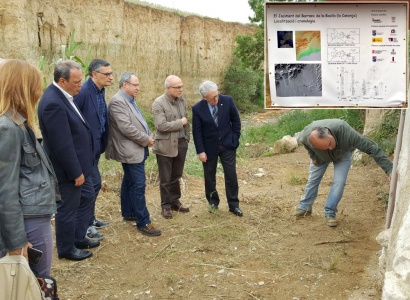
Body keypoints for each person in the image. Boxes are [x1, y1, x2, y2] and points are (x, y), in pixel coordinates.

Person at [0, 59, 58, 275]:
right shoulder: (7, 127)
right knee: (36, 282)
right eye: (36, 84)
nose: (39, 91)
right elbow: (5, 191)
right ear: (22, 87)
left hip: (32, 216)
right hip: (27, 221)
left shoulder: (18, 123)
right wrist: (16, 243)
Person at [38, 60, 97, 261]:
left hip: (81, 166)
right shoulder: (53, 103)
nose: (81, 84)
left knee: (87, 196)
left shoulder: (64, 96)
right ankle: (66, 248)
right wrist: (75, 172)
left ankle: (78, 237)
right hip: (69, 170)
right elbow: (61, 144)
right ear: (62, 81)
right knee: (68, 208)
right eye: (77, 81)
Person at [295, 118, 393, 227]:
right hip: (320, 157)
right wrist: (313, 156)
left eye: (330, 144)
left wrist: (389, 169)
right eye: (325, 147)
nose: (330, 148)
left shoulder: (345, 131)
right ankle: (304, 208)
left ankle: (330, 213)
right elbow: (305, 144)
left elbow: (372, 148)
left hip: (342, 154)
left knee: (339, 182)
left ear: (329, 133)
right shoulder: (306, 136)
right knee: (313, 180)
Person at [105, 72, 161, 236]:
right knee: (138, 184)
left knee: (129, 181)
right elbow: (126, 128)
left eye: (138, 84)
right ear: (125, 85)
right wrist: (146, 139)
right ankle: (143, 221)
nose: (138, 87)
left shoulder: (128, 100)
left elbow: (137, 122)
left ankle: (129, 212)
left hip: (135, 148)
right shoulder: (118, 102)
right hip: (129, 150)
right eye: (135, 85)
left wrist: (146, 134)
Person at [192, 80, 243, 217]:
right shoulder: (197, 109)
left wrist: (234, 138)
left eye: (217, 95)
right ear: (204, 98)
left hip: (228, 145)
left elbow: (236, 121)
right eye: (212, 98)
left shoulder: (227, 101)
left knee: (231, 175)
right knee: (209, 176)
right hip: (209, 148)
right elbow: (197, 132)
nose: (216, 99)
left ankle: (234, 205)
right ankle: (213, 202)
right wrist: (200, 151)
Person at [75, 59, 113, 241]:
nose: (111, 77)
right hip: (85, 150)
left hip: (96, 147)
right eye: (107, 74)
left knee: (94, 185)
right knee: (92, 186)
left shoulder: (99, 91)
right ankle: (85, 226)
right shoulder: (83, 92)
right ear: (95, 74)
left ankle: (89, 219)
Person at [152, 75, 190, 219]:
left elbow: (187, 120)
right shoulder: (158, 103)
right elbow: (161, 126)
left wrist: (187, 139)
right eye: (177, 87)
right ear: (168, 88)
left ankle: (175, 202)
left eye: (181, 86)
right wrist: (180, 122)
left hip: (181, 144)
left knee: (176, 175)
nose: (181, 89)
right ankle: (165, 206)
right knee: (165, 178)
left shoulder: (182, 101)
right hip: (165, 145)